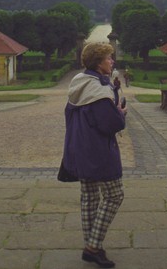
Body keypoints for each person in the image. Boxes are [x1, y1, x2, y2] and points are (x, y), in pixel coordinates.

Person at [61, 42, 127, 268]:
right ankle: (93, 246)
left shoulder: (80, 83)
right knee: (115, 195)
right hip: (98, 151)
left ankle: (91, 246)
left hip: (79, 147)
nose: (112, 61)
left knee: (89, 197)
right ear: (99, 63)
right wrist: (120, 114)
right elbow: (111, 124)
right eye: (108, 58)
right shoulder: (98, 91)